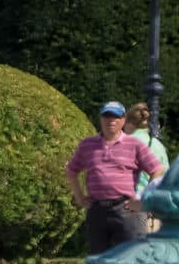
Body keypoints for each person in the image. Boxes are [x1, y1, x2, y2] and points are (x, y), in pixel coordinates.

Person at [70, 101, 165, 254]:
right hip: (97, 210)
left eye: (116, 116)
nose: (111, 120)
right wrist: (79, 197)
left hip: (127, 210)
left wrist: (143, 197)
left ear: (123, 120)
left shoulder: (134, 144)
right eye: (107, 116)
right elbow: (71, 170)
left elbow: (157, 169)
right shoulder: (87, 145)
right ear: (101, 119)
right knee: (99, 262)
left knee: (131, 259)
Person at [125, 102, 170, 201]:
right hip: (152, 201)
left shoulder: (125, 143)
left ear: (130, 123)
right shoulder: (159, 146)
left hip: (129, 201)